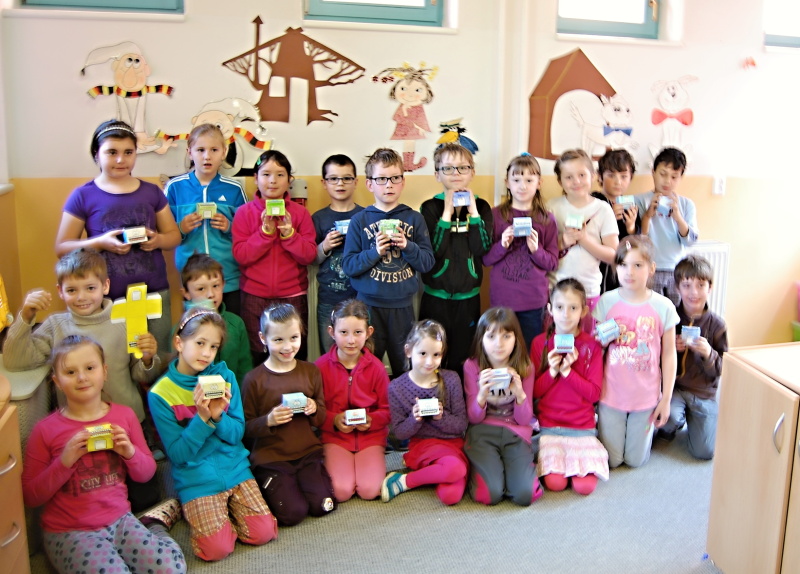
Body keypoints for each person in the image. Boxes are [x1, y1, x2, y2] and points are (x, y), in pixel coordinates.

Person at [22, 335, 185, 574]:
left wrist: (129, 453)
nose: (82, 377)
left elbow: (146, 473)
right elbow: (31, 496)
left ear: (104, 372)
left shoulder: (124, 416)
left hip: (121, 520)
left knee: (173, 569)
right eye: (70, 372)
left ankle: (154, 526)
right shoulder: (45, 430)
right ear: (57, 381)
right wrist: (64, 461)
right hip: (70, 531)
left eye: (90, 368)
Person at [149, 308, 277, 561]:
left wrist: (218, 416)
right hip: (197, 478)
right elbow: (178, 454)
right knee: (217, 550)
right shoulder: (161, 394)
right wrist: (202, 419)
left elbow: (237, 434)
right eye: (200, 343)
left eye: (213, 346)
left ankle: (220, 515)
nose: (207, 353)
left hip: (235, 469)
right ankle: (190, 509)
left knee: (264, 533)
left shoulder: (225, 377)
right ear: (179, 343)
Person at [54, 119, 180, 354]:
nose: (121, 160)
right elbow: (62, 247)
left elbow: (174, 236)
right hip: (105, 297)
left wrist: (158, 240)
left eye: (128, 152)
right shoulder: (83, 195)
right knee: (113, 357)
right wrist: (100, 243)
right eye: (112, 152)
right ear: (96, 154)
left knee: (155, 355)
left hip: (154, 292)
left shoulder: (152, 192)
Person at [3, 248, 158, 425]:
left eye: (90, 288)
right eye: (71, 290)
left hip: (125, 422)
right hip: (75, 424)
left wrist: (147, 359)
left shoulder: (125, 320)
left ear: (105, 286)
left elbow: (144, 377)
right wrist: (26, 316)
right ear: (60, 291)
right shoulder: (55, 325)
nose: (81, 297)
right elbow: (15, 361)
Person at [342, 148, 435, 377]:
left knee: (405, 366)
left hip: (402, 307)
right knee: (366, 368)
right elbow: (349, 266)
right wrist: (375, 251)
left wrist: (407, 246)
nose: (389, 185)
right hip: (367, 307)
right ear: (370, 184)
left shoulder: (414, 218)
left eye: (394, 178)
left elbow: (427, 263)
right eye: (381, 179)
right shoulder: (359, 220)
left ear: (403, 182)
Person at [241, 303, 336, 526]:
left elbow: (321, 418)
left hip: (307, 453)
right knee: (293, 514)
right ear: (263, 338)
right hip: (272, 458)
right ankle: (271, 485)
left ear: (301, 334)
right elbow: (244, 427)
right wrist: (268, 421)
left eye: (294, 338)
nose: (287, 347)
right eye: (278, 340)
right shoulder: (253, 379)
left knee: (324, 506)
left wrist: (314, 408)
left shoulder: (311, 371)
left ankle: (301, 482)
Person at [593, 236, 679, 468]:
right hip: (611, 395)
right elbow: (595, 348)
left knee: (634, 461)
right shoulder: (606, 302)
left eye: (637, 265)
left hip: (645, 397)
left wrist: (666, 399)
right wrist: (602, 340)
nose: (629, 272)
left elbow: (669, 355)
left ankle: (647, 431)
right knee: (612, 461)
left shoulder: (664, 306)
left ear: (651, 268)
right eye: (623, 265)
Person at [232, 150, 317, 363]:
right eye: (266, 174)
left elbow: (309, 255)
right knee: (258, 353)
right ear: (255, 178)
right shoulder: (244, 213)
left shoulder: (300, 213)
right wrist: (265, 233)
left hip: (292, 295)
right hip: (254, 295)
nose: (272, 180)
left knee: (294, 353)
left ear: (289, 180)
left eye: (280, 175)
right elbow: (241, 256)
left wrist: (290, 235)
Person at [419, 142, 493, 377]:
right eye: (448, 168)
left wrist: (473, 214)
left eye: (462, 168)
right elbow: (433, 252)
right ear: (437, 174)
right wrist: (447, 214)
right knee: (432, 355)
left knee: (463, 356)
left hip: (468, 299)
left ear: (472, 172)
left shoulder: (482, 206)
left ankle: (458, 398)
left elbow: (482, 248)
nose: (456, 173)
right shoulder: (430, 207)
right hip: (435, 298)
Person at [531, 279, 609, 495]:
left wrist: (568, 373)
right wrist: (552, 371)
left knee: (585, 487)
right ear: (550, 309)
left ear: (583, 311)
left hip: (581, 427)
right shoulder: (540, 343)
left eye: (573, 308)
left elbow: (594, 394)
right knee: (555, 484)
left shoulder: (591, 346)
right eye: (559, 307)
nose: (565, 314)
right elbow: (534, 392)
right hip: (550, 426)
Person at [165, 123, 248, 316]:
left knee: (231, 328)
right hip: (193, 281)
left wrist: (229, 227)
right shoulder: (175, 188)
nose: (207, 156)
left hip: (228, 278)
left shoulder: (234, 189)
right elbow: (163, 233)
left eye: (214, 150)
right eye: (200, 150)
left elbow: (247, 231)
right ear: (189, 152)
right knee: (198, 330)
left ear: (224, 152)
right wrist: (181, 228)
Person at [463, 307, 543, 506]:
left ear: (516, 338)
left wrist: (520, 394)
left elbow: (524, 420)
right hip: (483, 432)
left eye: (506, 336)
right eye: (491, 336)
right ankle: (493, 470)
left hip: (515, 433)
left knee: (525, 495)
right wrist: (481, 395)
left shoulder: (525, 366)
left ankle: (512, 470)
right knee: (489, 495)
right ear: (481, 339)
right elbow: (474, 418)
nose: (498, 344)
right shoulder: (472, 366)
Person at [382, 320, 468, 504]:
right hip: (423, 445)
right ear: (408, 351)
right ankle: (414, 478)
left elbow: (461, 425)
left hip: (453, 444)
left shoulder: (451, 379)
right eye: (423, 353)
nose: (430, 362)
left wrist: (440, 417)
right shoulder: (397, 387)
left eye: (436, 355)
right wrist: (415, 419)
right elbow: (399, 433)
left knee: (451, 496)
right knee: (456, 470)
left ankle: (414, 478)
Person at [315, 299, 391, 501]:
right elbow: (315, 410)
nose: (351, 340)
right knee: (340, 492)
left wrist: (372, 421)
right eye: (343, 332)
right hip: (335, 438)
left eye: (358, 332)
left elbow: (387, 409)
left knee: (370, 490)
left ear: (369, 332)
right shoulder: (319, 368)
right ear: (331, 332)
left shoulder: (376, 368)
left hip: (370, 438)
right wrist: (333, 420)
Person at [483, 154, 558, 349]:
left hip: (533, 301)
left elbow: (552, 263)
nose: (522, 186)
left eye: (529, 180)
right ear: (507, 183)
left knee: (530, 350)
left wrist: (536, 249)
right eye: (516, 180)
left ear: (539, 183)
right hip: (502, 300)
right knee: (501, 350)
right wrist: (502, 244)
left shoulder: (546, 219)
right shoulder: (495, 215)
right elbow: (485, 259)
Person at [656, 255, 728, 460]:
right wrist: (669, 348)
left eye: (700, 285)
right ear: (677, 288)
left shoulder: (717, 325)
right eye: (687, 285)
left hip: (703, 393)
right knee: (667, 421)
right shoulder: (669, 317)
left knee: (704, 452)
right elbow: (654, 357)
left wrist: (709, 354)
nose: (694, 292)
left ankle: (696, 420)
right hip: (675, 389)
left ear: (710, 287)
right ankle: (675, 422)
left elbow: (723, 368)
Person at [549, 149, 619, 334]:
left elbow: (613, 255)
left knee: (587, 344)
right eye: (569, 177)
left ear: (593, 176)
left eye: (582, 175)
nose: (576, 181)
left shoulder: (603, 209)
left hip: (589, 292)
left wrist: (584, 240)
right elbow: (541, 251)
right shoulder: (552, 207)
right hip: (557, 292)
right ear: (560, 181)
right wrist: (563, 241)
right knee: (556, 344)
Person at [312, 154, 364, 353]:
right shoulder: (319, 218)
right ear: (324, 183)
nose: (340, 183)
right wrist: (324, 246)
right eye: (333, 178)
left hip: (360, 298)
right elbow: (312, 259)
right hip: (329, 299)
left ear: (356, 182)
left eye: (346, 178)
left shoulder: (365, 216)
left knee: (360, 353)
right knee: (330, 355)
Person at [635, 147, 699, 305]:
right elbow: (636, 239)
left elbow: (690, 241)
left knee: (676, 313)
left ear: (681, 177)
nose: (667, 181)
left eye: (674, 176)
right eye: (663, 174)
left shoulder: (686, 204)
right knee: (650, 313)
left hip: (677, 270)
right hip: (649, 269)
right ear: (653, 172)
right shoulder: (639, 200)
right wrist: (647, 215)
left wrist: (678, 217)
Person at [178, 252, 252, 384]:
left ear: (223, 285)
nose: (210, 294)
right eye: (201, 289)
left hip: (232, 394)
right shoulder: (181, 329)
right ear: (186, 293)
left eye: (215, 286)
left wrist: (239, 395)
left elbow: (244, 369)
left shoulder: (236, 324)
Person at [593, 149, 640, 293]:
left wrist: (631, 227)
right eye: (611, 175)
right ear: (600, 176)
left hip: (622, 270)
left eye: (624, 176)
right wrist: (608, 218)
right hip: (596, 268)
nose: (618, 181)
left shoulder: (630, 205)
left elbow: (635, 243)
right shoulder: (594, 201)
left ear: (631, 178)